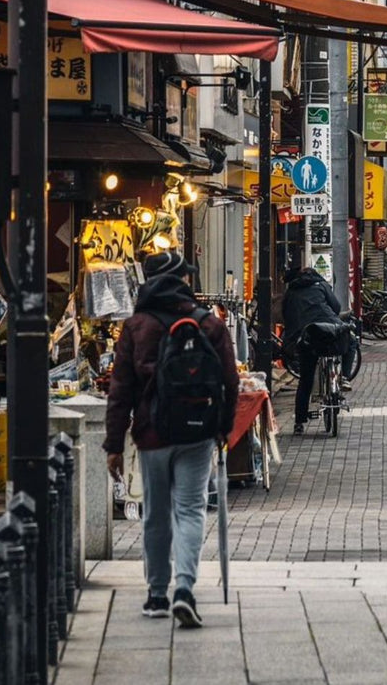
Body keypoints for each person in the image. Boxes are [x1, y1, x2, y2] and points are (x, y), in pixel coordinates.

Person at [104, 249, 239, 628]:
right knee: (191, 508)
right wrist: (223, 430)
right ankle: (184, 588)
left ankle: (157, 593)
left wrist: (114, 444)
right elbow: (229, 382)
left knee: (156, 514)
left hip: (151, 433)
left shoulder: (136, 325)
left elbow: (121, 391)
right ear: (181, 280)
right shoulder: (208, 324)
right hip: (197, 432)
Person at [281, 265, 343, 434]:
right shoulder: (322, 285)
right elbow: (336, 308)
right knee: (349, 343)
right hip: (326, 331)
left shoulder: (291, 291)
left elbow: (285, 315)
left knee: (306, 379)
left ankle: (299, 423)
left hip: (304, 337)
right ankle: (343, 379)